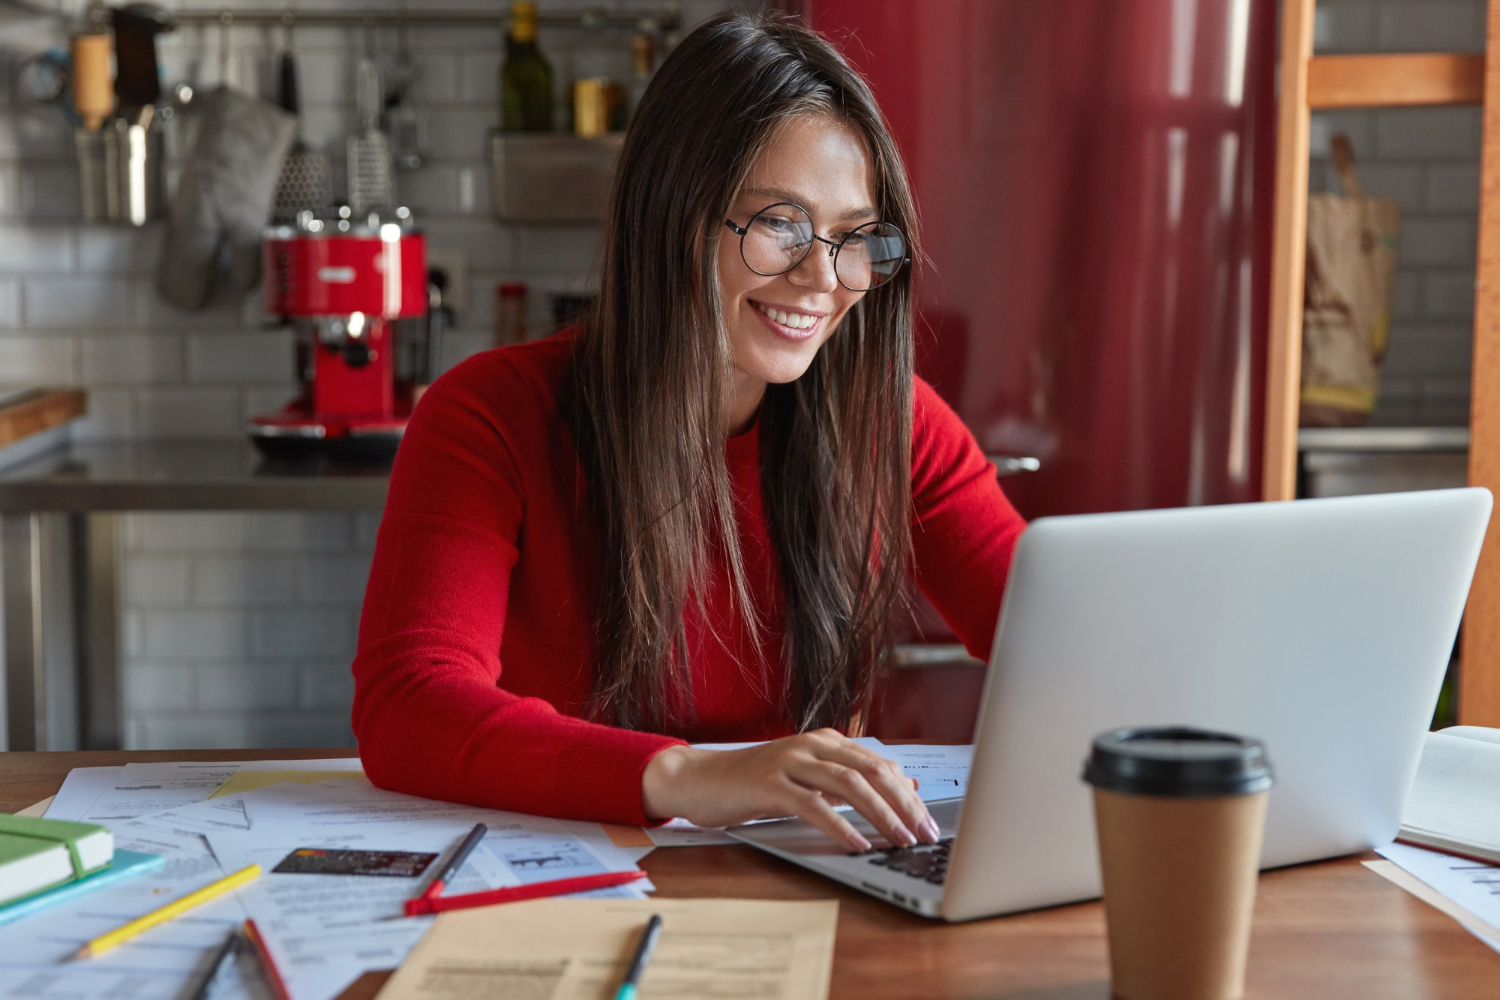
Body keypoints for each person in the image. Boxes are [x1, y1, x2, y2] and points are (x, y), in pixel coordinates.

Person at [352, 12, 1026, 854]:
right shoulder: (490, 416)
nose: (823, 279)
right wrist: (689, 778)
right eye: (780, 223)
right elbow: (409, 705)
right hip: (561, 875)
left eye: (854, 237)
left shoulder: (894, 421)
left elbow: (1053, 639)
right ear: (674, 216)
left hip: (806, 872)